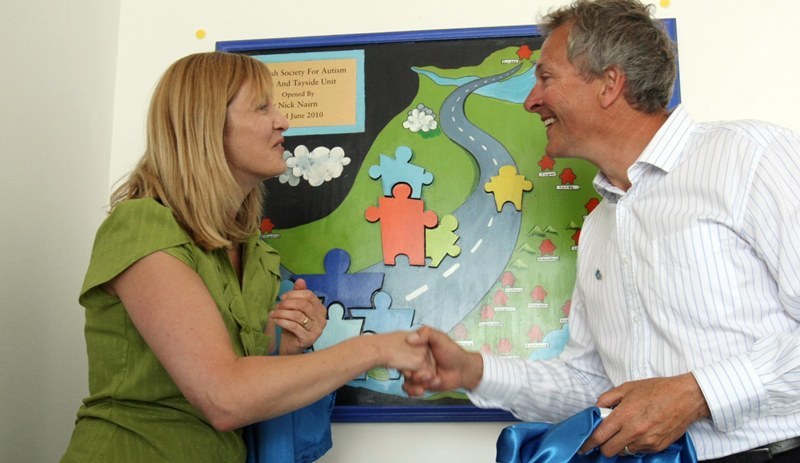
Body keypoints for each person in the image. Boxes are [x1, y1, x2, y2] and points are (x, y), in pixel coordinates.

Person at [403, 0, 800, 461]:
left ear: (609, 83)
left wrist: (698, 393)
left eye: (545, 77)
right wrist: (472, 371)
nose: (531, 100)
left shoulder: (753, 157)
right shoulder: (599, 225)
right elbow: (592, 386)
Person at [61, 51, 431, 462]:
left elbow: (243, 391)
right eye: (262, 107)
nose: (283, 121)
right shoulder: (142, 225)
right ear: (206, 125)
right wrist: (374, 349)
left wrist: (286, 353)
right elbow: (224, 397)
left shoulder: (254, 252)